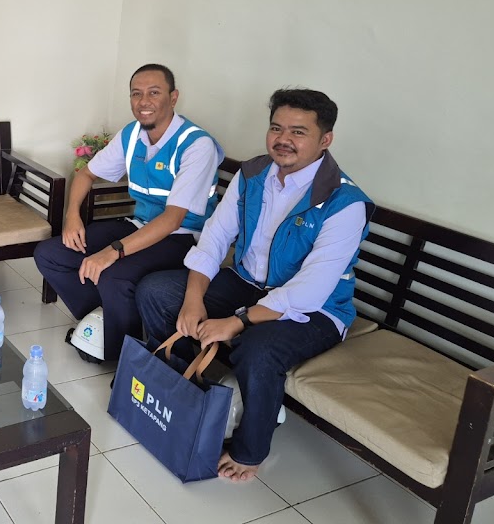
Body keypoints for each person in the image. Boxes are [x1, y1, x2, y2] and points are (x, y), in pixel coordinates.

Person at [136, 88, 374, 482]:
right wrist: (193, 298)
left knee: (259, 348)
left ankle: (251, 448)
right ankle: (185, 392)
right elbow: (215, 237)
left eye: (298, 132)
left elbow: (310, 289)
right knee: (156, 292)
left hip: (317, 308)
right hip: (246, 282)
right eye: (276, 128)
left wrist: (237, 322)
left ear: (325, 140)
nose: (284, 139)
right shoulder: (253, 174)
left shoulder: (345, 202)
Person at [35, 64, 224, 362]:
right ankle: (107, 321)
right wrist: (72, 216)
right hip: (139, 225)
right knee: (50, 254)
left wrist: (113, 251)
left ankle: (121, 354)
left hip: (184, 238)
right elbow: (86, 174)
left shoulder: (197, 145)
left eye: (154, 93)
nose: (143, 101)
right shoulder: (132, 133)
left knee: (114, 275)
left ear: (173, 97)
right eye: (136, 94)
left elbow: (173, 219)